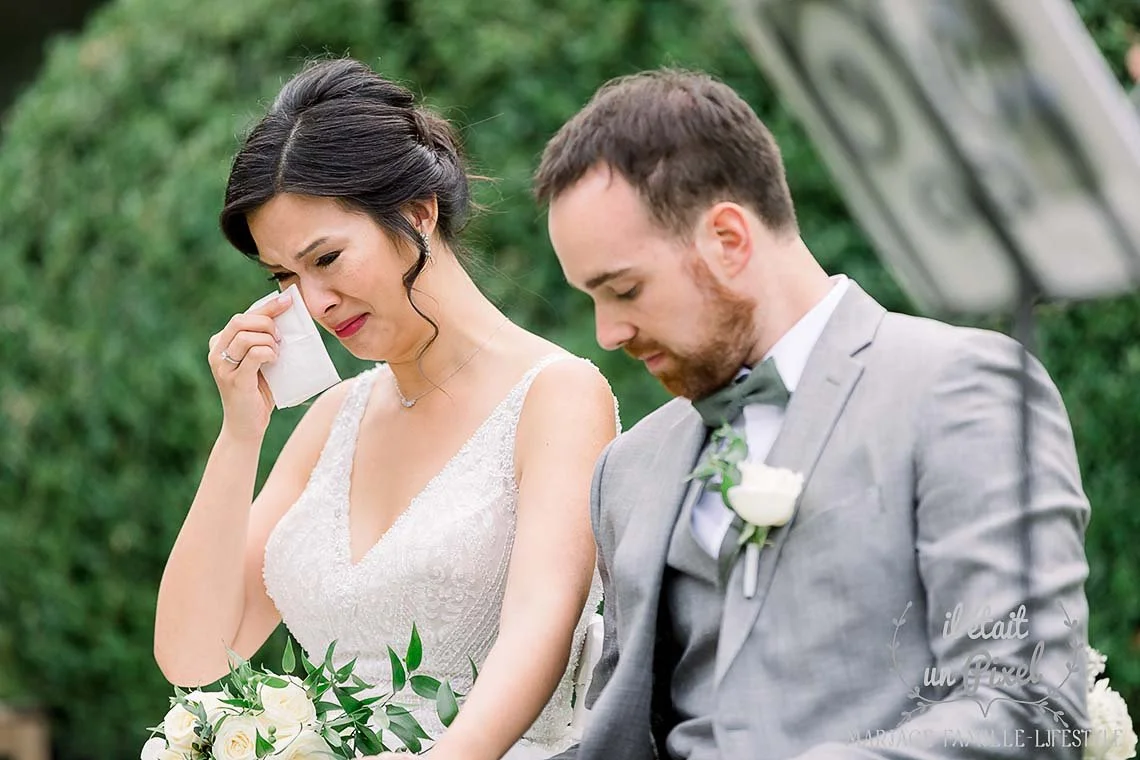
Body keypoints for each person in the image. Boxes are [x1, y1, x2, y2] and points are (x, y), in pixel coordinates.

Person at [534, 69, 1092, 760]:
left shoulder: (962, 389)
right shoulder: (628, 468)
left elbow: (1029, 704)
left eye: (623, 289)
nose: (607, 333)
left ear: (729, 239)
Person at [153, 58, 616, 760]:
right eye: (284, 276)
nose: (311, 302)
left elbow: (537, 631)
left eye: (327, 258)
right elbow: (194, 658)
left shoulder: (558, 396)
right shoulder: (332, 418)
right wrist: (240, 433)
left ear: (416, 211)